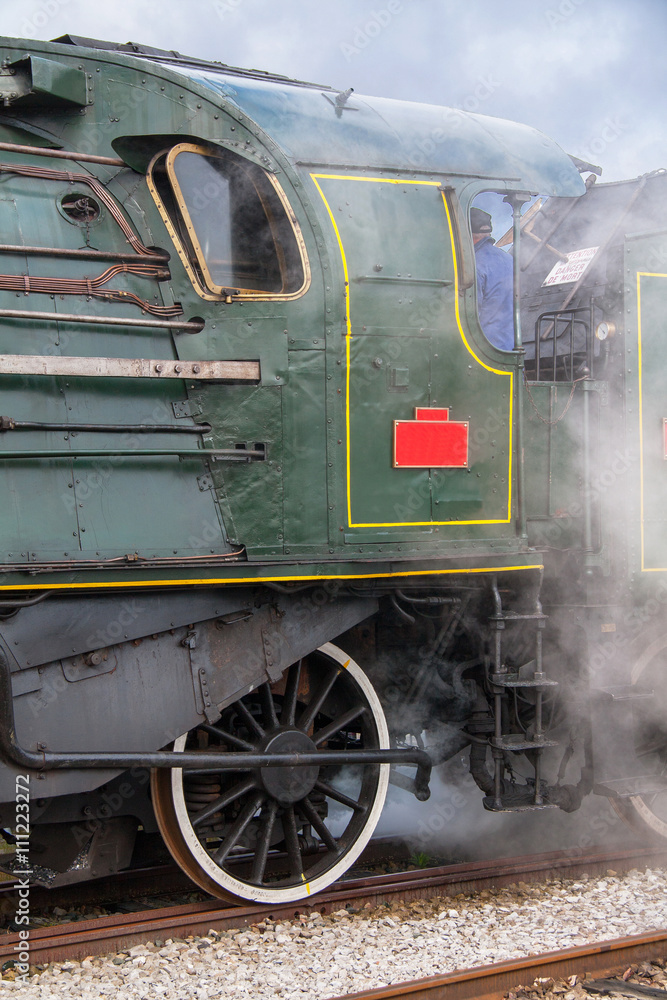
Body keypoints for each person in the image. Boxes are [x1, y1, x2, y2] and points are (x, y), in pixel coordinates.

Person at [470, 207, 514, 352]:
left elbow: (470, 315)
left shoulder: (473, 264)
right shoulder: (509, 259)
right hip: (510, 348)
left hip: (483, 350)